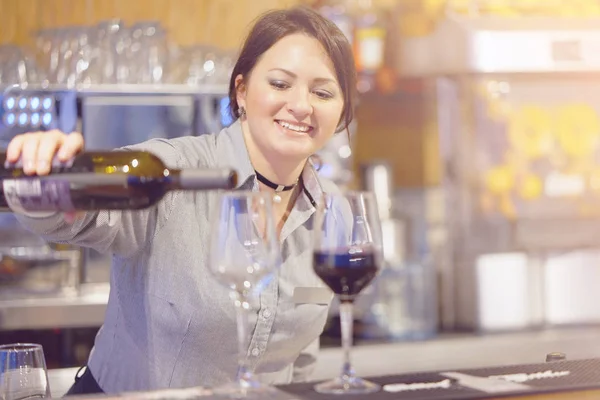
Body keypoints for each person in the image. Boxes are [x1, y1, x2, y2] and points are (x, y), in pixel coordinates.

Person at [6, 5, 357, 395]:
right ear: (241, 91)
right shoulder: (169, 170)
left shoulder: (335, 210)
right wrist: (47, 178)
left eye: (322, 92)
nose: (302, 105)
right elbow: (72, 219)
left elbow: (300, 355)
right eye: (279, 84)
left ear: (342, 112)